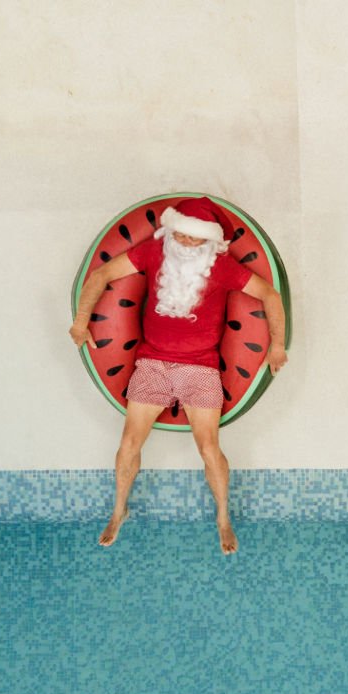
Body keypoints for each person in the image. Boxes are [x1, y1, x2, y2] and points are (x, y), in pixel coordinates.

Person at [69, 198, 287, 554]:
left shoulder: (224, 267)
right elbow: (102, 275)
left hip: (200, 368)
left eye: (195, 239)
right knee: (128, 444)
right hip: (151, 365)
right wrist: (80, 323)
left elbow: (268, 294)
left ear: (210, 242)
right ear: (171, 230)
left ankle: (222, 518)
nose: (185, 243)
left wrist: (276, 345)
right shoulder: (153, 252)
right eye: (181, 235)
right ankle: (118, 510)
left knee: (209, 448)